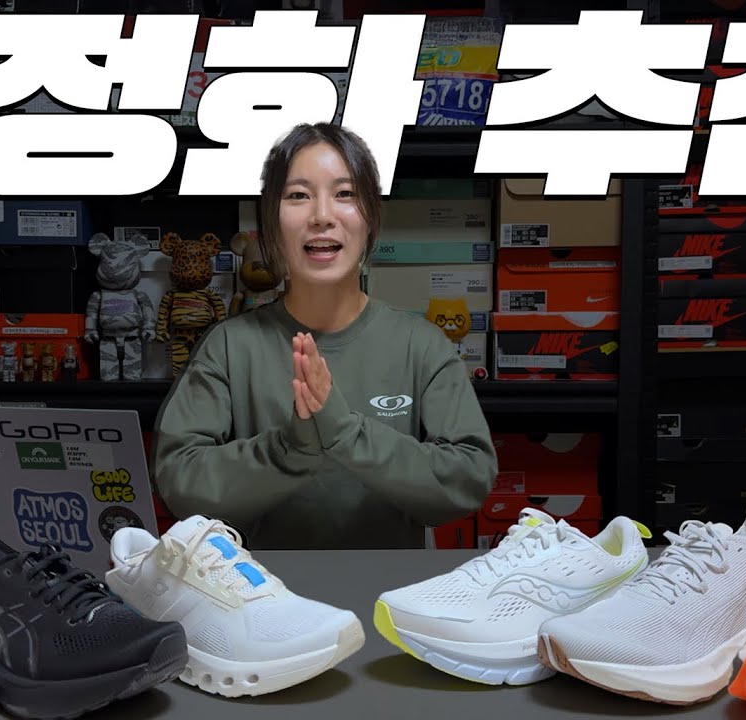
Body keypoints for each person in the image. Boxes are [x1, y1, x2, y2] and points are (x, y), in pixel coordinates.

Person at [151, 122, 497, 549]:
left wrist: (345, 433)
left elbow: (468, 480)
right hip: (259, 589)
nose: (321, 216)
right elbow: (179, 481)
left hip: (388, 588)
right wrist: (291, 447)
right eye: (298, 195)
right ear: (271, 222)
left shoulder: (421, 345)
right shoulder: (228, 346)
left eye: (345, 194)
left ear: (371, 218)